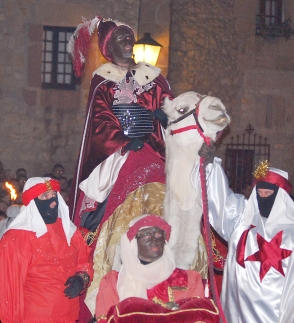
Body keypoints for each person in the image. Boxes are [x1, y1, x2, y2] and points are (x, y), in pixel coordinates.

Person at [67, 16, 173, 319]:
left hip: (153, 146)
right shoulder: (103, 81)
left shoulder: (154, 77)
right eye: (121, 38)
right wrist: (123, 143)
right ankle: (94, 236)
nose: (128, 42)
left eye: (130, 37)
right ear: (108, 47)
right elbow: (100, 121)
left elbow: (169, 104)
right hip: (118, 152)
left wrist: (165, 118)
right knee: (99, 194)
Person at [193, 143, 294, 323]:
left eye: (268, 193)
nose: (263, 198)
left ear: (281, 197)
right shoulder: (242, 221)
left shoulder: (292, 234)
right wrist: (209, 165)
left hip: (275, 314)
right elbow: (220, 201)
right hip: (237, 313)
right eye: (259, 193)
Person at [0, 177, 94, 323]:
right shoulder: (15, 238)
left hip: (69, 316)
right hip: (33, 318)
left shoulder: (69, 230)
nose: (53, 202)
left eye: (54, 195)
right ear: (32, 203)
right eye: (45, 196)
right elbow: (8, 291)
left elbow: (84, 262)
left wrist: (81, 279)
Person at [95, 214, 219, 323]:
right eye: (146, 235)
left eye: (158, 234)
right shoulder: (113, 283)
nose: (154, 240)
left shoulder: (189, 279)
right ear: (133, 243)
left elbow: (200, 317)